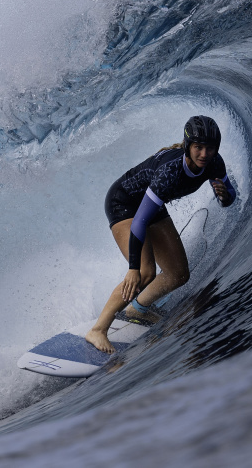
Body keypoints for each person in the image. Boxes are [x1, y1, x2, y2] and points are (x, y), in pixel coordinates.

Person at [85, 115, 237, 353]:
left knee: (178, 274)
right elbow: (139, 223)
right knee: (145, 273)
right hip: (123, 203)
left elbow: (228, 196)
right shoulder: (169, 172)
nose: (204, 154)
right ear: (188, 146)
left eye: (210, 148)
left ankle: (137, 309)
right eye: (198, 147)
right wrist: (133, 269)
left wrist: (225, 197)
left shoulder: (215, 164)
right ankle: (98, 330)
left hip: (150, 206)